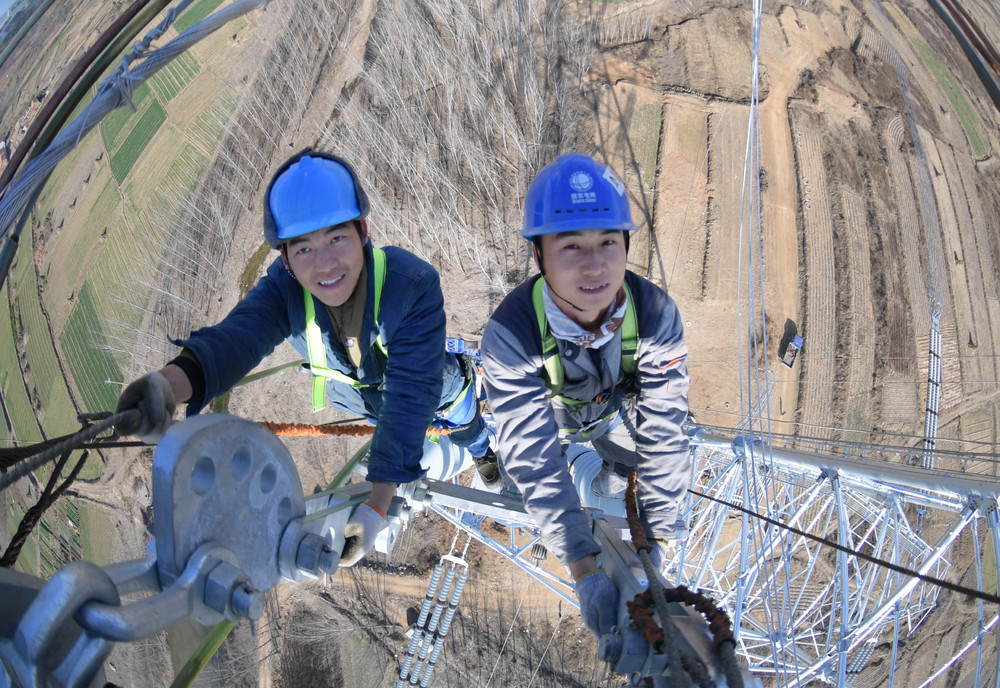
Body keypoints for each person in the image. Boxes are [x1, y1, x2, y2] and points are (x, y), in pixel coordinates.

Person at [115, 148, 494, 566]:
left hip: (438, 390)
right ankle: (472, 447)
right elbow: (238, 336)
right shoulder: (285, 291)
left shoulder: (411, 286)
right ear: (286, 259)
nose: (326, 264)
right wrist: (170, 386)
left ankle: (482, 453)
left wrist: (377, 504)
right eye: (304, 249)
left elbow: (412, 397)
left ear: (363, 231)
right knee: (400, 428)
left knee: (466, 424)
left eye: (336, 238)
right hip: (367, 404)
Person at [478, 153, 691, 638]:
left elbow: (664, 434)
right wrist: (580, 563)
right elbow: (534, 456)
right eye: (571, 246)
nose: (594, 265)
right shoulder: (512, 336)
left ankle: (607, 477)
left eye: (608, 243)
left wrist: (652, 540)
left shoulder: (656, 316)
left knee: (631, 465)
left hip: (611, 417)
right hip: (551, 423)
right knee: (538, 468)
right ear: (539, 254)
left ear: (626, 244)